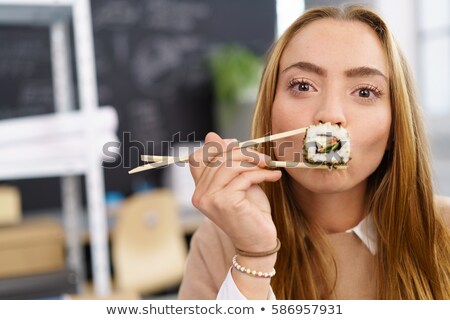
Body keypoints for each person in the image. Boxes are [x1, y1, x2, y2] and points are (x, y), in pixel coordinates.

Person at [177, 5, 450, 300]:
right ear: (269, 112)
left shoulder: (444, 231)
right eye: (303, 85)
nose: (329, 115)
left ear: (395, 127)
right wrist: (253, 257)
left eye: (365, 92)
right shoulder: (221, 238)